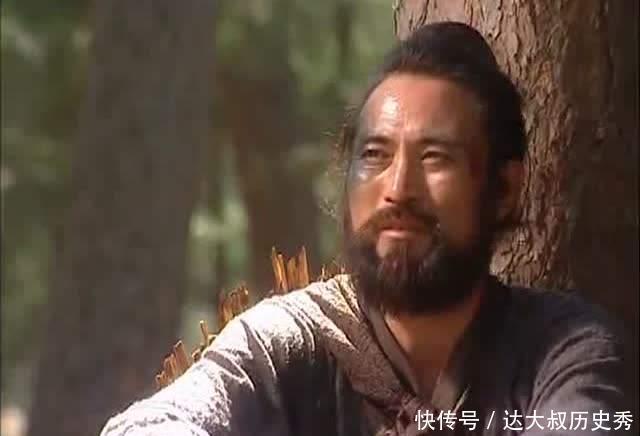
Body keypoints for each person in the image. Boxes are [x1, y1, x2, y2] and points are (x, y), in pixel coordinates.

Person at [100, 22, 631, 436]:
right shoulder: (288, 343)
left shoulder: (563, 351)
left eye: (436, 157)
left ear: (505, 189)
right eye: (374, 155)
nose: (397, 188)